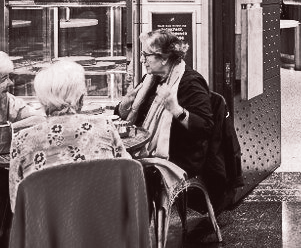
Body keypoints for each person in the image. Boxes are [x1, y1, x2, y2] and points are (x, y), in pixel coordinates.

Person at [8, 60, 131, 209]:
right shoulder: (105, 128)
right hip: (101, 224)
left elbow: (16, 205)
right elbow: (128, 177)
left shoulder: (21, 140)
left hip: (47, 228)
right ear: (81, 98)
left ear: (42, 101)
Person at [116, 29, 213, 177]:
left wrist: (176, 110)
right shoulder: (150, 80)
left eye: (146, 55)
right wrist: (125, 104)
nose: (142, 60)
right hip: (146, 152)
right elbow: (121, 118)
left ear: (164, 58)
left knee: (120, 173)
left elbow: (205, 128)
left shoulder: (191, 83)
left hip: (177, 159)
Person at [0, 52, 42, 131]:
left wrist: (7, 129)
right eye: (4, 78)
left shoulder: (8, 100)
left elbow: (39, 119)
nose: (10, 83)